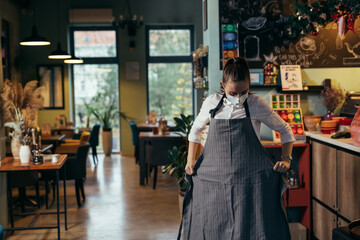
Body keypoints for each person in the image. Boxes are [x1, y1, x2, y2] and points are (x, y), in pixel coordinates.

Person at [179, 57, 294, 240]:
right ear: (223, 84)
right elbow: (195, 132)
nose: (239, 98)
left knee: (250, 230)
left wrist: (286, 159)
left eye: (244, 92)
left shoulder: (257, 104)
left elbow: (286, 130)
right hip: (214, 182)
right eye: (233, 93)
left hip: (250, 184)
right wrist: (190, 160)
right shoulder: (211, 103)